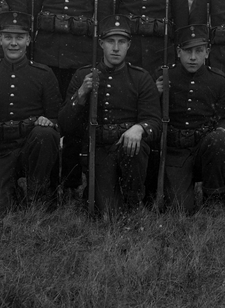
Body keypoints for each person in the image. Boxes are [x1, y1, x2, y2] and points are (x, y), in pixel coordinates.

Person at [59, 15, 162, 216]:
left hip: (128, 149)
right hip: (99, 150)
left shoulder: (141, 78)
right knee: (107, 213)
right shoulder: (83, 76)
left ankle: (134, 201)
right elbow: (65, 123)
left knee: (135, 147)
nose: (116, 48)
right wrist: (81, 94)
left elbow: (155, 122)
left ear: (128, 45)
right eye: (110, 42)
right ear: (101, 44)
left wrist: (139, 128)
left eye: (121, 42)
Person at [0, 11, 62, 213]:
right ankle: (11, 191)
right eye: (8, 37)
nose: (13, 43)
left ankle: (37, 194)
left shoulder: (43, 74)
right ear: (0, 39)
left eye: (19, 38)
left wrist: (48, 121)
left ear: (28, 40)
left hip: (29, 147)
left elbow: (56, 117)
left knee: (45, 134)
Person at [156, 25, 225, 214]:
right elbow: (152, 114)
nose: (193, 57)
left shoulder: (219, 81)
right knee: (180, 210)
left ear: (207, 52)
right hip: (176, 152)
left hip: (203, 148)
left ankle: (213, 199)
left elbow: (224, 116)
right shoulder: (165, 76)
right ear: (178, 52)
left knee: (219, 139)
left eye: (199, 51)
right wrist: (156, 94)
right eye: (187, 51)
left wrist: (224, 129)